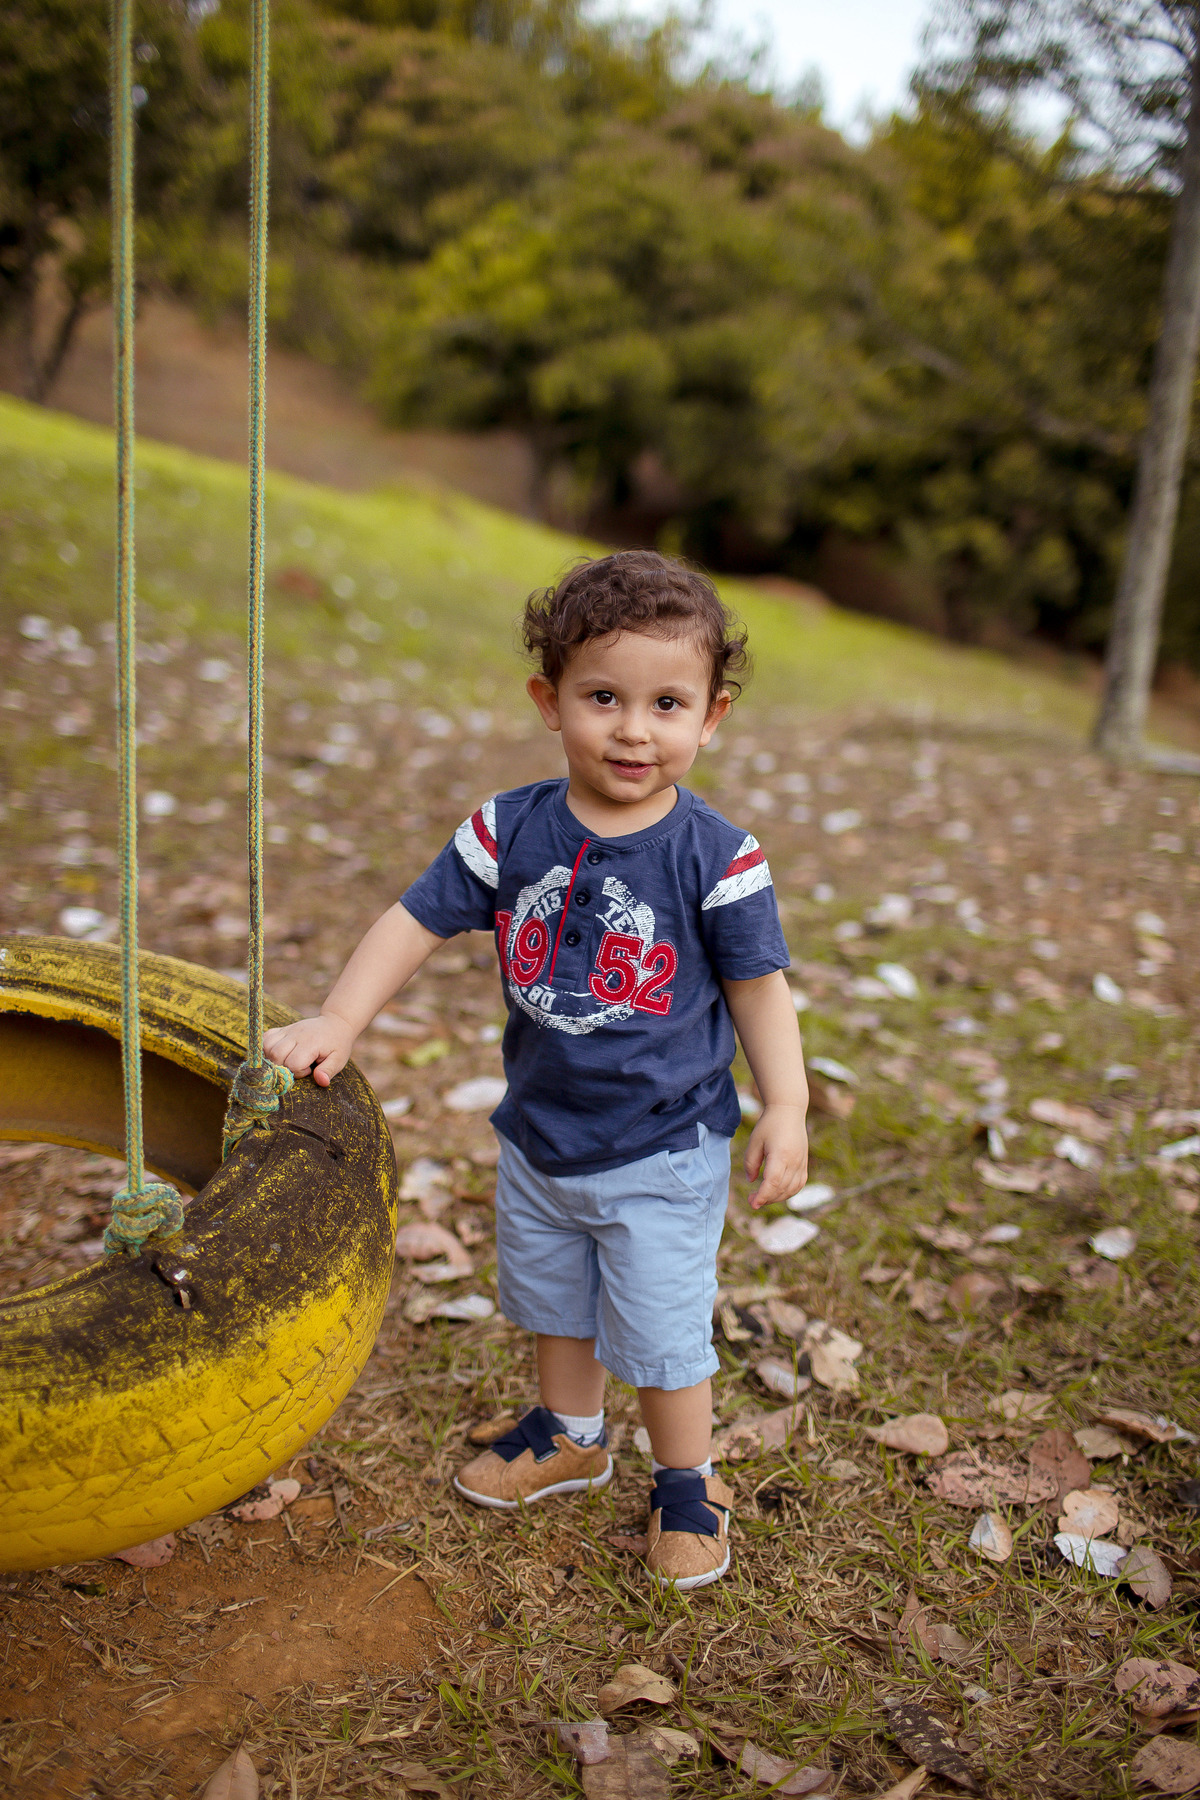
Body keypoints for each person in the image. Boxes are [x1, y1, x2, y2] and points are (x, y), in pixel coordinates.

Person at [264, 549, 809, 1590]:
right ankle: (570, 1434)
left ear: (712, 718)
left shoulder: (718, 855)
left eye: (666, 704)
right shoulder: (508, 829)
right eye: (604, 697)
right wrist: (341, 1015)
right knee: (556, 1300)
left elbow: (758, 987)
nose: (633, 730)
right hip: (542, 1131)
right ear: (548, 701)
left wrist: (787, 1101)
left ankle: (687, 1482)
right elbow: (415, 919)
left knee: (661, 1331)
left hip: (663, 1145)